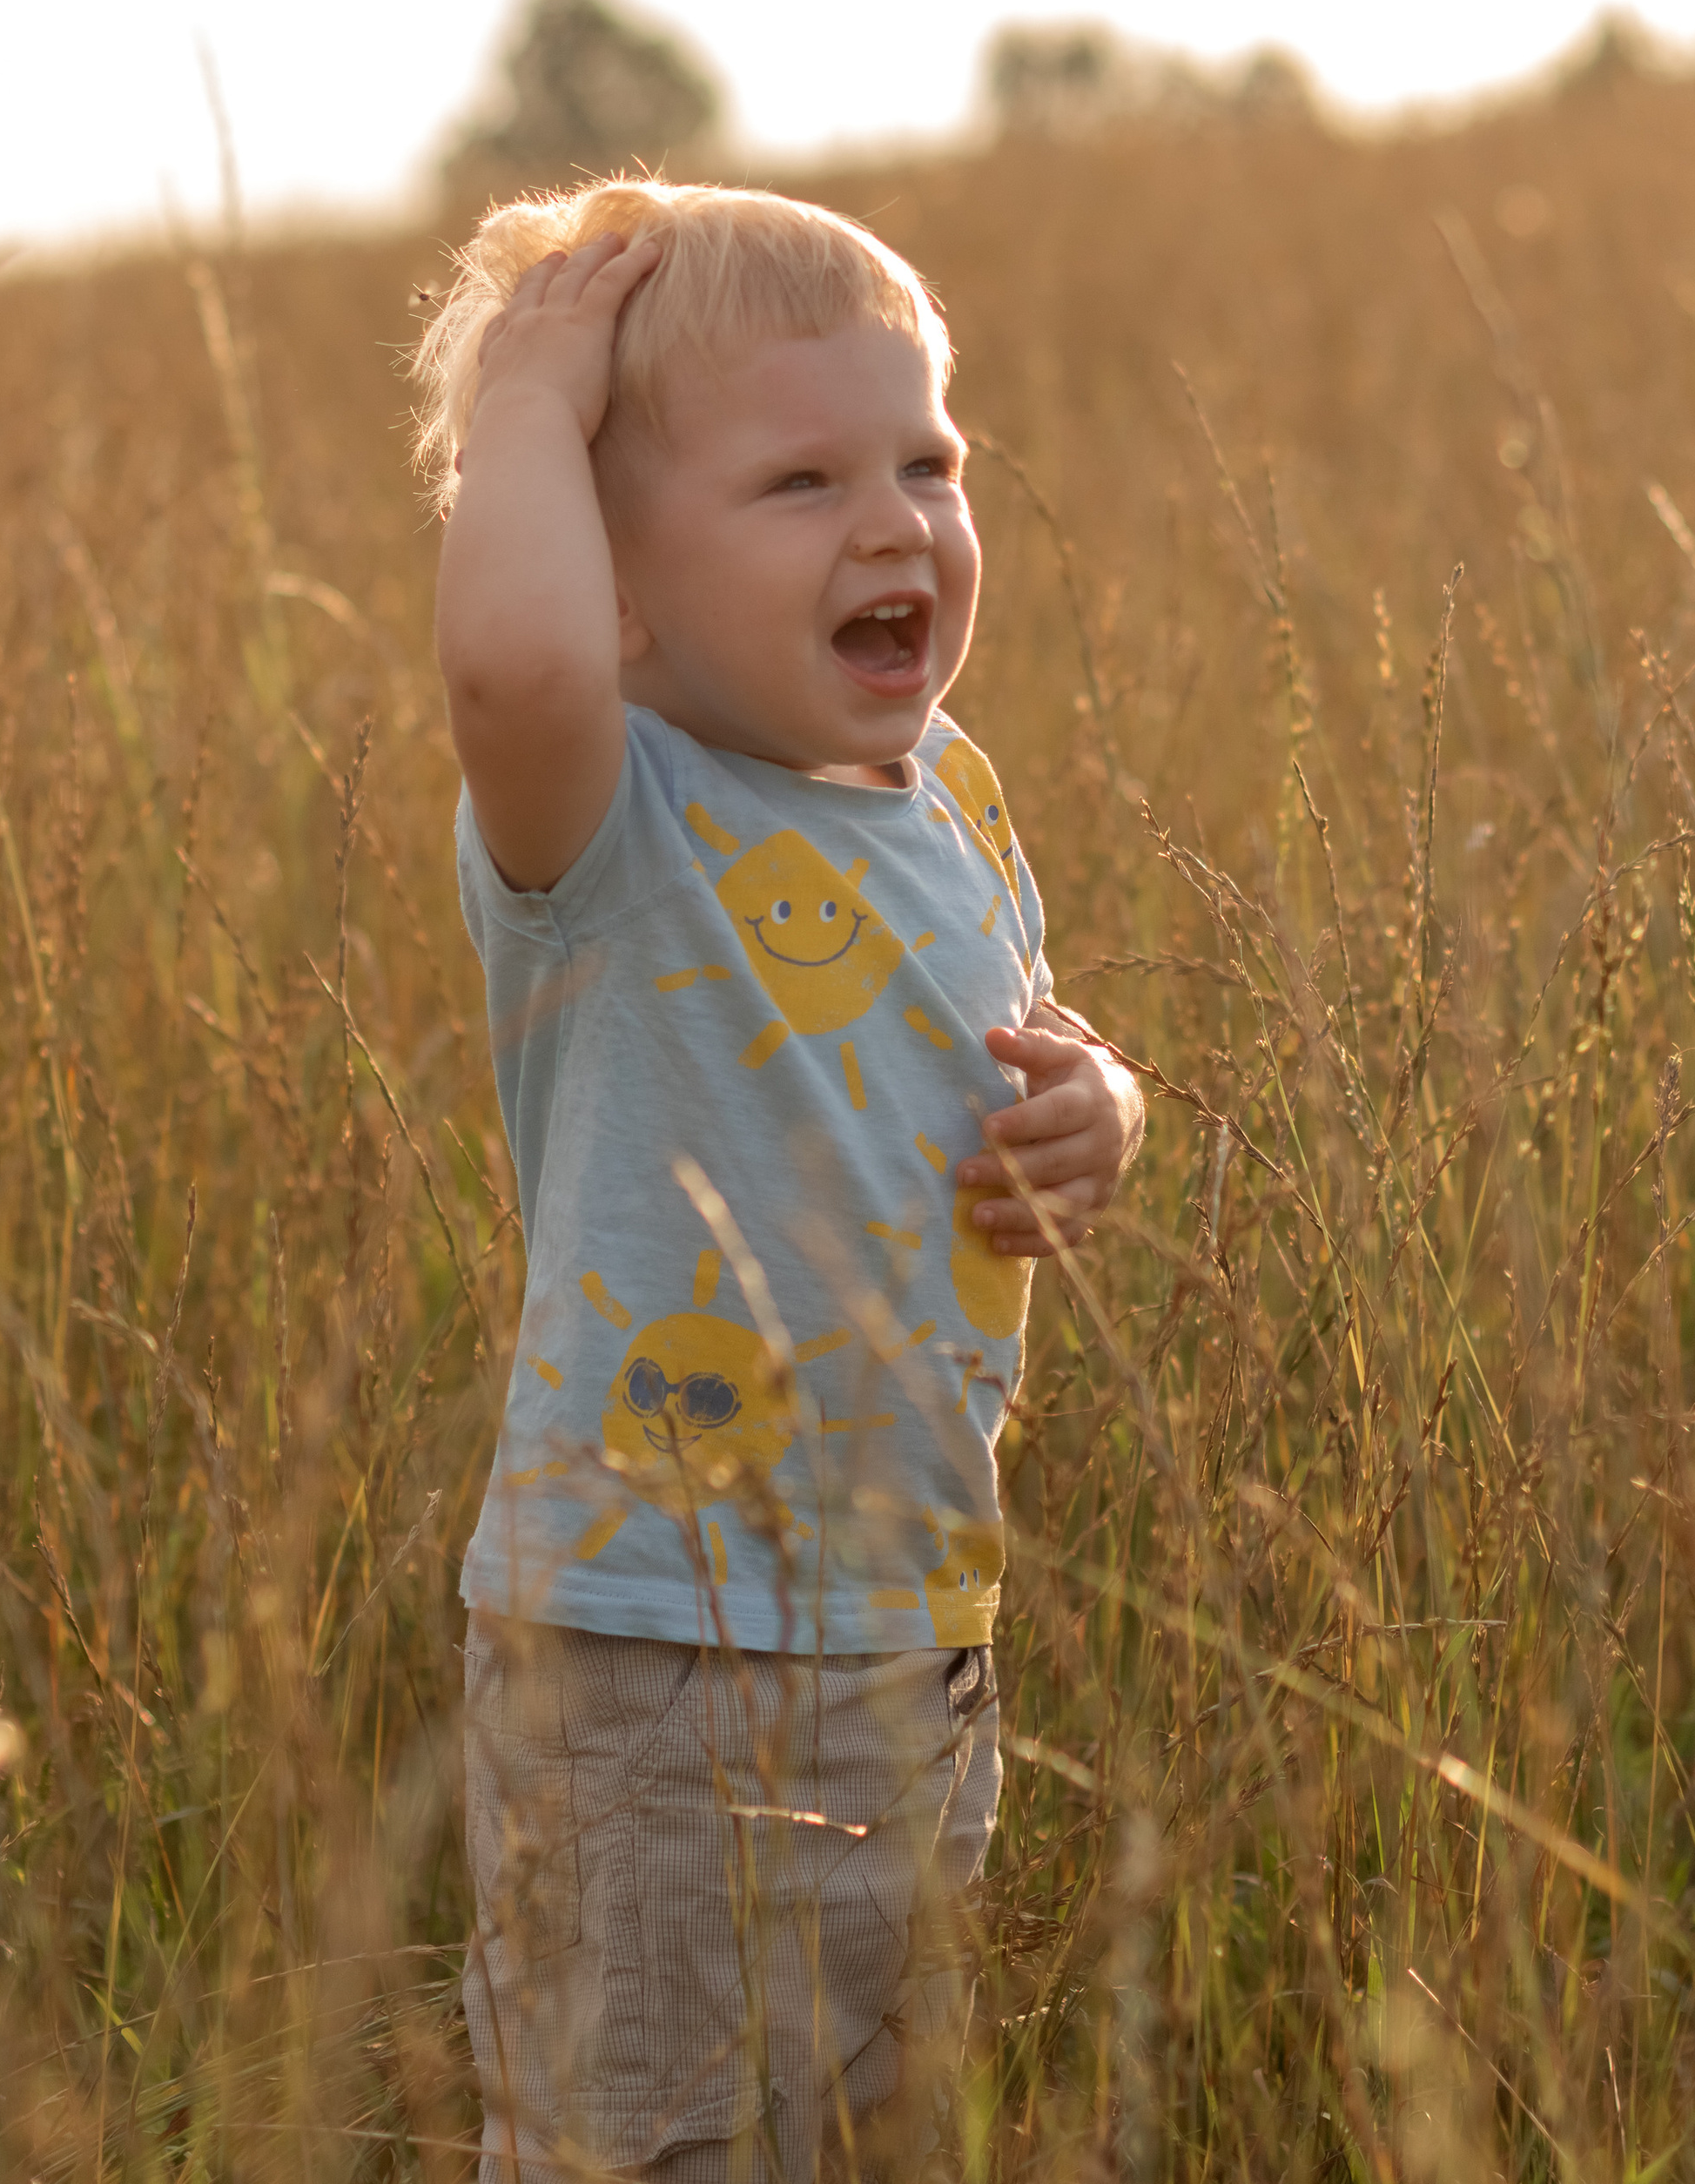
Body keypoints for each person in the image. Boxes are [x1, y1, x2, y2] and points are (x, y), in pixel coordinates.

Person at [416, 179, 1144, 2184]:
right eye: (799, 483)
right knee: (634, 2143)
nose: (895, 522)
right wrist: (533, 400)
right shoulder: (606, 821)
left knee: (862, 2126)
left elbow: (1020, 1034)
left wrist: (1101, 1112)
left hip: (905, 1633)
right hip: (658, 1661)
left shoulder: (950, 798)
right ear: (615, 582)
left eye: (926, 461)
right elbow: (517, 674)